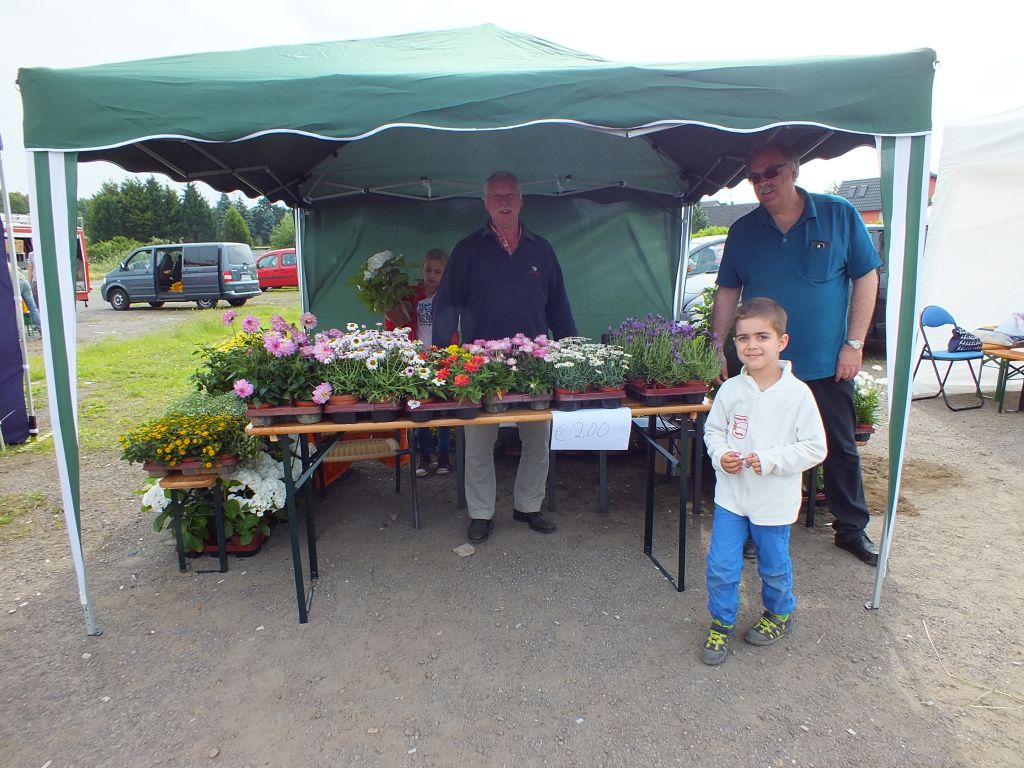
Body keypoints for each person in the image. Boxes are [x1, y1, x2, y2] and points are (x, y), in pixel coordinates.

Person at [711, 141, 882, 566]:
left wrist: (854, 344)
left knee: (839, 447)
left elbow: (866, 277)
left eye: (771, 172)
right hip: (761, 369)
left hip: (825, 363)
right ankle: (754, 526)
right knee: (754, 445)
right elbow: (728, 289)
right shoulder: (743, 230)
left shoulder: (839, 214)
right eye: (754, 177)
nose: (762, 182)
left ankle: (850, 529)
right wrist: (716, 345)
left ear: (794, 170)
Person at [433, 171, 577, 543]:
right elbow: (445, 305)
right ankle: (481, 513)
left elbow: (559, 306)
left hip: (535, 364)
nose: (504, 201)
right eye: (496, 196)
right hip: (481, 366)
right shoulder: (467, 250)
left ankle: (528, 506)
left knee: (537, 441)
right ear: (485, 203)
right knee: (479, 444)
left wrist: (571, 352)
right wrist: (441, 357)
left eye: (510, 194)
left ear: (522, 200)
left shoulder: (542, 250)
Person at [701, 298, 827, 665]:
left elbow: (815, 448)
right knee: (721, 565)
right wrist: (720, 455)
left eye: (762, 337)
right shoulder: (730, 390)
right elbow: (714, 431)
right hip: (732, 498)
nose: (752, 345)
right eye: (743, 338)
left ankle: (779, 612)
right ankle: (721, 622)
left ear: (782, 341)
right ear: (735, 343)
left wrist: (771, 461)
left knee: (773, 565)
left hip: (773, 502)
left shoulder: (797, 395)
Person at [384, 249, 455, 477]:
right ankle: (423, 455)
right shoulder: (411, 295)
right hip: (417, 357)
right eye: (429, 270)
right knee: (419, 407)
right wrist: (389, 315)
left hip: (443, 356)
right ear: (422, 269)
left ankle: (444, 454)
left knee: (443, 407)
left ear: (445, 273)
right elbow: (396, 325)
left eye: (438, 271)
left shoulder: (450, 295)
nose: (432, 275)